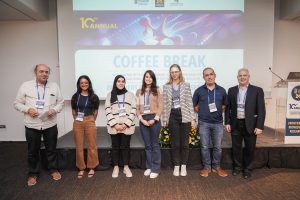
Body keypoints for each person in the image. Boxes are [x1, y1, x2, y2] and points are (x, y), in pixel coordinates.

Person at [14, 64, 64, 186]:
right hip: (32, 124)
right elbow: (17, 103)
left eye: (46, 72)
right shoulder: (26, 86)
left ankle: (53, 170)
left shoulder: (54, 86)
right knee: (32, 151)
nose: (44, 74)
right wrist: (27, 109)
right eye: (41, 71)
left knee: (51, 149)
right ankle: (33, 173)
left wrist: (55, 110)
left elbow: (61, 103)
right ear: (35, 72)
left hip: (50, 124)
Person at [225, 68, 266, 179]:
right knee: (236, 147)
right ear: (237, 77)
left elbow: (261, 110)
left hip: (251, 124)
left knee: (250, 148)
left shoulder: (257, 90)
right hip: (235, 123)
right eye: (240, 75)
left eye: (245, 75)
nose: (242, 77)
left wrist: (259, 126)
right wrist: (227, 122)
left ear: (248, 76)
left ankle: (247, 169)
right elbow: (228, 108)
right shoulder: (231, 90)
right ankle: (237, 168)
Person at [193, 67, 228, 177]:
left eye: (211, 74)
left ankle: (217, 167)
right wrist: (204, 112)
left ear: (214, 75)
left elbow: (224, 106)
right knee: (204, 146)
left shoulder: (222, 90)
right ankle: (207, 167)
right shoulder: (199, 90)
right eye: (206, 75)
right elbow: (194, 106)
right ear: (204, 77)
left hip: (218, 123)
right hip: (204, 123)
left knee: (217, 147)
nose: (209, 76)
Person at [162, 64, 196, 177]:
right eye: (172, 72)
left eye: (176, 71)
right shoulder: (166, 86)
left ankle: (183, 166)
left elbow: (190, 103)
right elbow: (166, 104)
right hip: (173, 115)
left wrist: (193, 119)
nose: (174, 74)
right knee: (175, 143)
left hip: (185, 115)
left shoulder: (186, 85)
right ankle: (177, 166)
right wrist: (165, 119)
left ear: (180, 72)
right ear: (170, 74)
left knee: (185, 144)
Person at [105, 75, 136, 178]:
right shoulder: (110, 95)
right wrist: (115, 124)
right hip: (114, 127)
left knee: (125, 146)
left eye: (123, 81)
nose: (121, 83)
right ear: (115, 83)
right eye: (119, 81)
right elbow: (107, 110)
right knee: (115, 147)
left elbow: (133, 110)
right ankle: (116, 167)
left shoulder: (131, 95)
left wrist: (126, 124)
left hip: (127, 126)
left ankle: (126, 167)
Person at [71, 75, 100, 179]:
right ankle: (81, 168)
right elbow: (74, 110)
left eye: (86, 83)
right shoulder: (75, 96)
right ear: (79, 84)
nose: (84, 84)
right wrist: (76, 119)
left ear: (89, 84)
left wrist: (91, 119)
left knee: (92, 145)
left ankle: (92, 167)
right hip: (78, 122)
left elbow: (96, 110)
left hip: (89, 120)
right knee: (79, 146)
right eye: (82, 83)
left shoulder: (94, 97)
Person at [136, 70, 163, 179]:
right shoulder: (139, 91)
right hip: (143, 119)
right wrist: (141, 120)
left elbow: (161, 106)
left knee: (154, 144)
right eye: (146, 77)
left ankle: (155, 169)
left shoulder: (157, 90)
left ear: (153, 79)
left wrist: (155, 119)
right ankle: (149, 166)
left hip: (154, 118)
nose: (148, 79)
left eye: (150, 77)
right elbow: (137, 108)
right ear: (144, 78)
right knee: (147, 145)